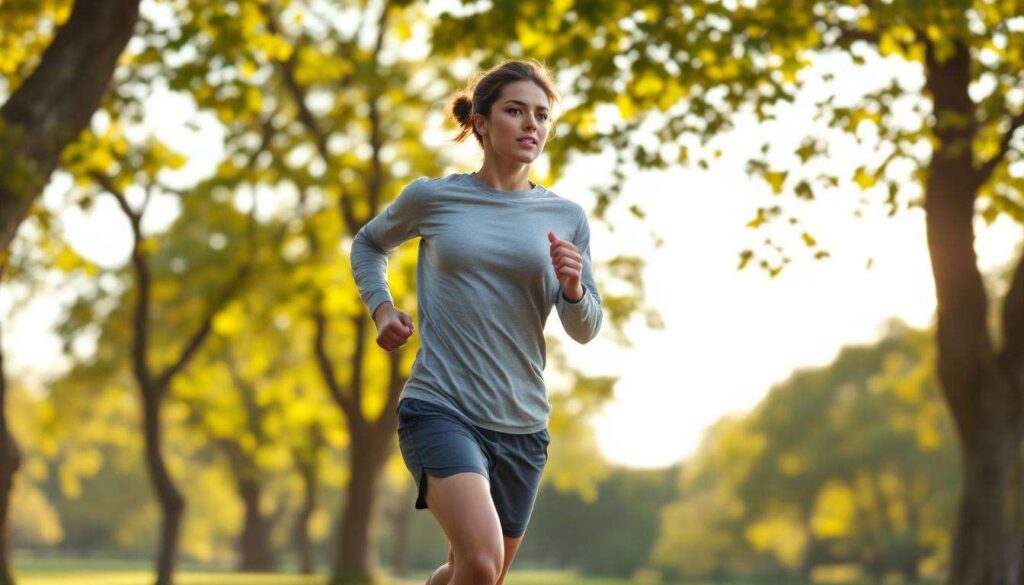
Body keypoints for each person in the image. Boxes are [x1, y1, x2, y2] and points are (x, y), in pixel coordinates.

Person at [350, 59, 602, 585]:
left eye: (541, 114)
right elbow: (370, 243)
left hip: (523, 424)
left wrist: (574, 289)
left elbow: (585, 328)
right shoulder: (434, 198)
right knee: (483, 563)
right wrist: (382, 306)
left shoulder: (566, 217)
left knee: (470, 572)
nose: (531, 124)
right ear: (482, 124)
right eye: (515, 111)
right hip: (441, 407)